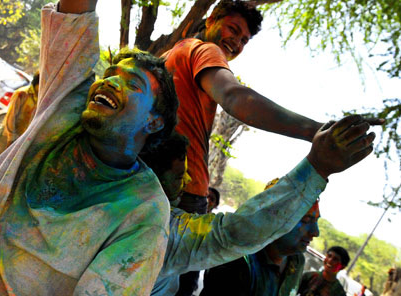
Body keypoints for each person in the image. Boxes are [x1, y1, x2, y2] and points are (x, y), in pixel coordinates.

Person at [0, 0, 179, 294]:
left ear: (154, 122)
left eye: (133, 85)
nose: (110, 81)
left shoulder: (144, 211)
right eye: (109, 73)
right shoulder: (63, 112)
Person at [141, 114, 379, 296]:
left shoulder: (297, 264)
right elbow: (232, 233)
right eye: (304, 219)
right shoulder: (158, 232)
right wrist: (318, 166)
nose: (188, 180)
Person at [163, 0, 326, 218]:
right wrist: (314, 131)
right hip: (184, 192)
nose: (236, 42)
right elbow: (233, 97)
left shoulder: (174, 52)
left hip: (160, 180)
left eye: (244, 40)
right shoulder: (206, 51)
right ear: (211, 20)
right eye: (233, 29)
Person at [200, 200, 321, 296]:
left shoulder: (297, 260)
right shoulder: (236, 262)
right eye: (306, 220)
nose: (315, 232)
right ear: (275, 218)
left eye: (316, 221)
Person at [0, 72, 40, 176]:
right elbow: (11, 117)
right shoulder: (22, 94)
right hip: (7, 136)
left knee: (4, 169)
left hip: (21, 140)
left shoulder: (39, 99)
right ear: (38, 82)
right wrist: (11, 138)